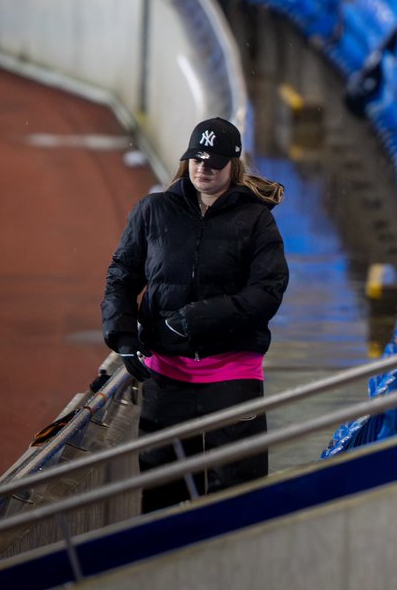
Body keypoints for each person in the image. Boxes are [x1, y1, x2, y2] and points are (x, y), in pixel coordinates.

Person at [102, 116, 289, 512]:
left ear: (232, 165)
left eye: (214, 163)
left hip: (233, 374)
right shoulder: (153, 211)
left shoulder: (256, 220)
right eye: (196, 159)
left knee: (237, 499)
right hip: (168, 376)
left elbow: (267, 291)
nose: (203, 168)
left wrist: (199, 317)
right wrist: (122, 335)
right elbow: (122, 276)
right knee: (164, 498)